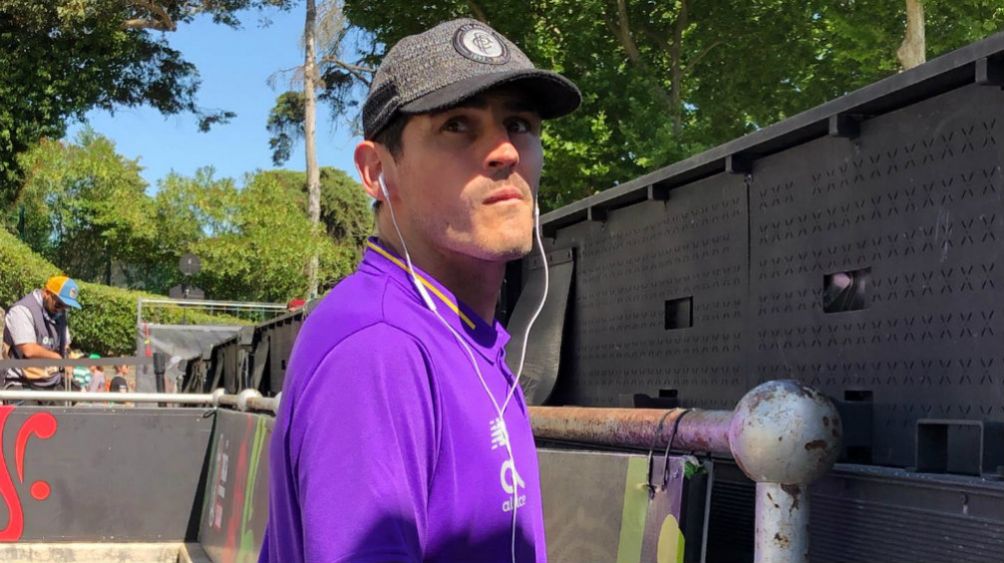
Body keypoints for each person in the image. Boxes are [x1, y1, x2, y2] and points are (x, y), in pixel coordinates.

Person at [260, 18, 580, 563]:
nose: (505, 151)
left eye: (520, 123)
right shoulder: (381, 349)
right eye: (458, 125)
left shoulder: (459, 334)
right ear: (377, 170)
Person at [2, 275, 82, 390]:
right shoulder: (22, 310)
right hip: (21, 382)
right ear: (47, 293)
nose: (61, 310)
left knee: (76, 393)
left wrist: (68, 361)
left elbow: (65, 345)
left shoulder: (60, 315)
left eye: (66, 307)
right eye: (59, 304)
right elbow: (29, 350)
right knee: (31, 407)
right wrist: (58, 358)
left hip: (51, 380)